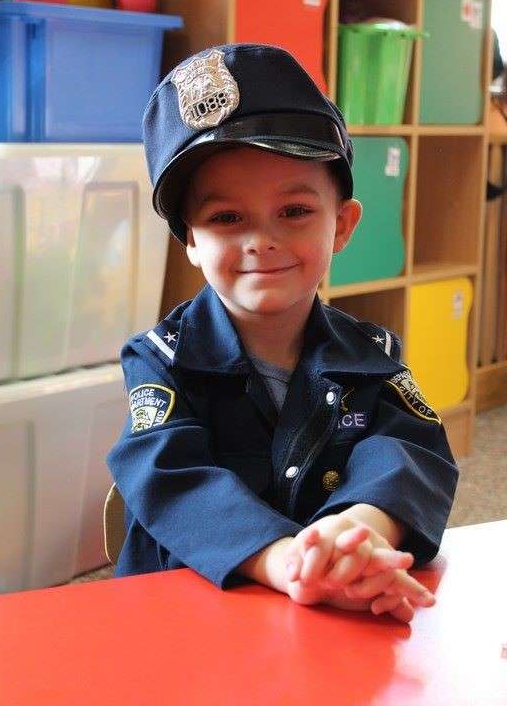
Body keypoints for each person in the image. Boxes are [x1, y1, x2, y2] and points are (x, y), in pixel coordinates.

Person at [107, 44, 458, 623]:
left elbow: (410, 451)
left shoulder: (372, 355)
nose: (260, 241)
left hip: (325, 621)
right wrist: (289, 562)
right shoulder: (161, 359)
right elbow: (169, 477)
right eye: (226, 218)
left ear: (341, 224)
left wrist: (359, 532)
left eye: (294, 211)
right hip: (187, 620)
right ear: (190, 240)